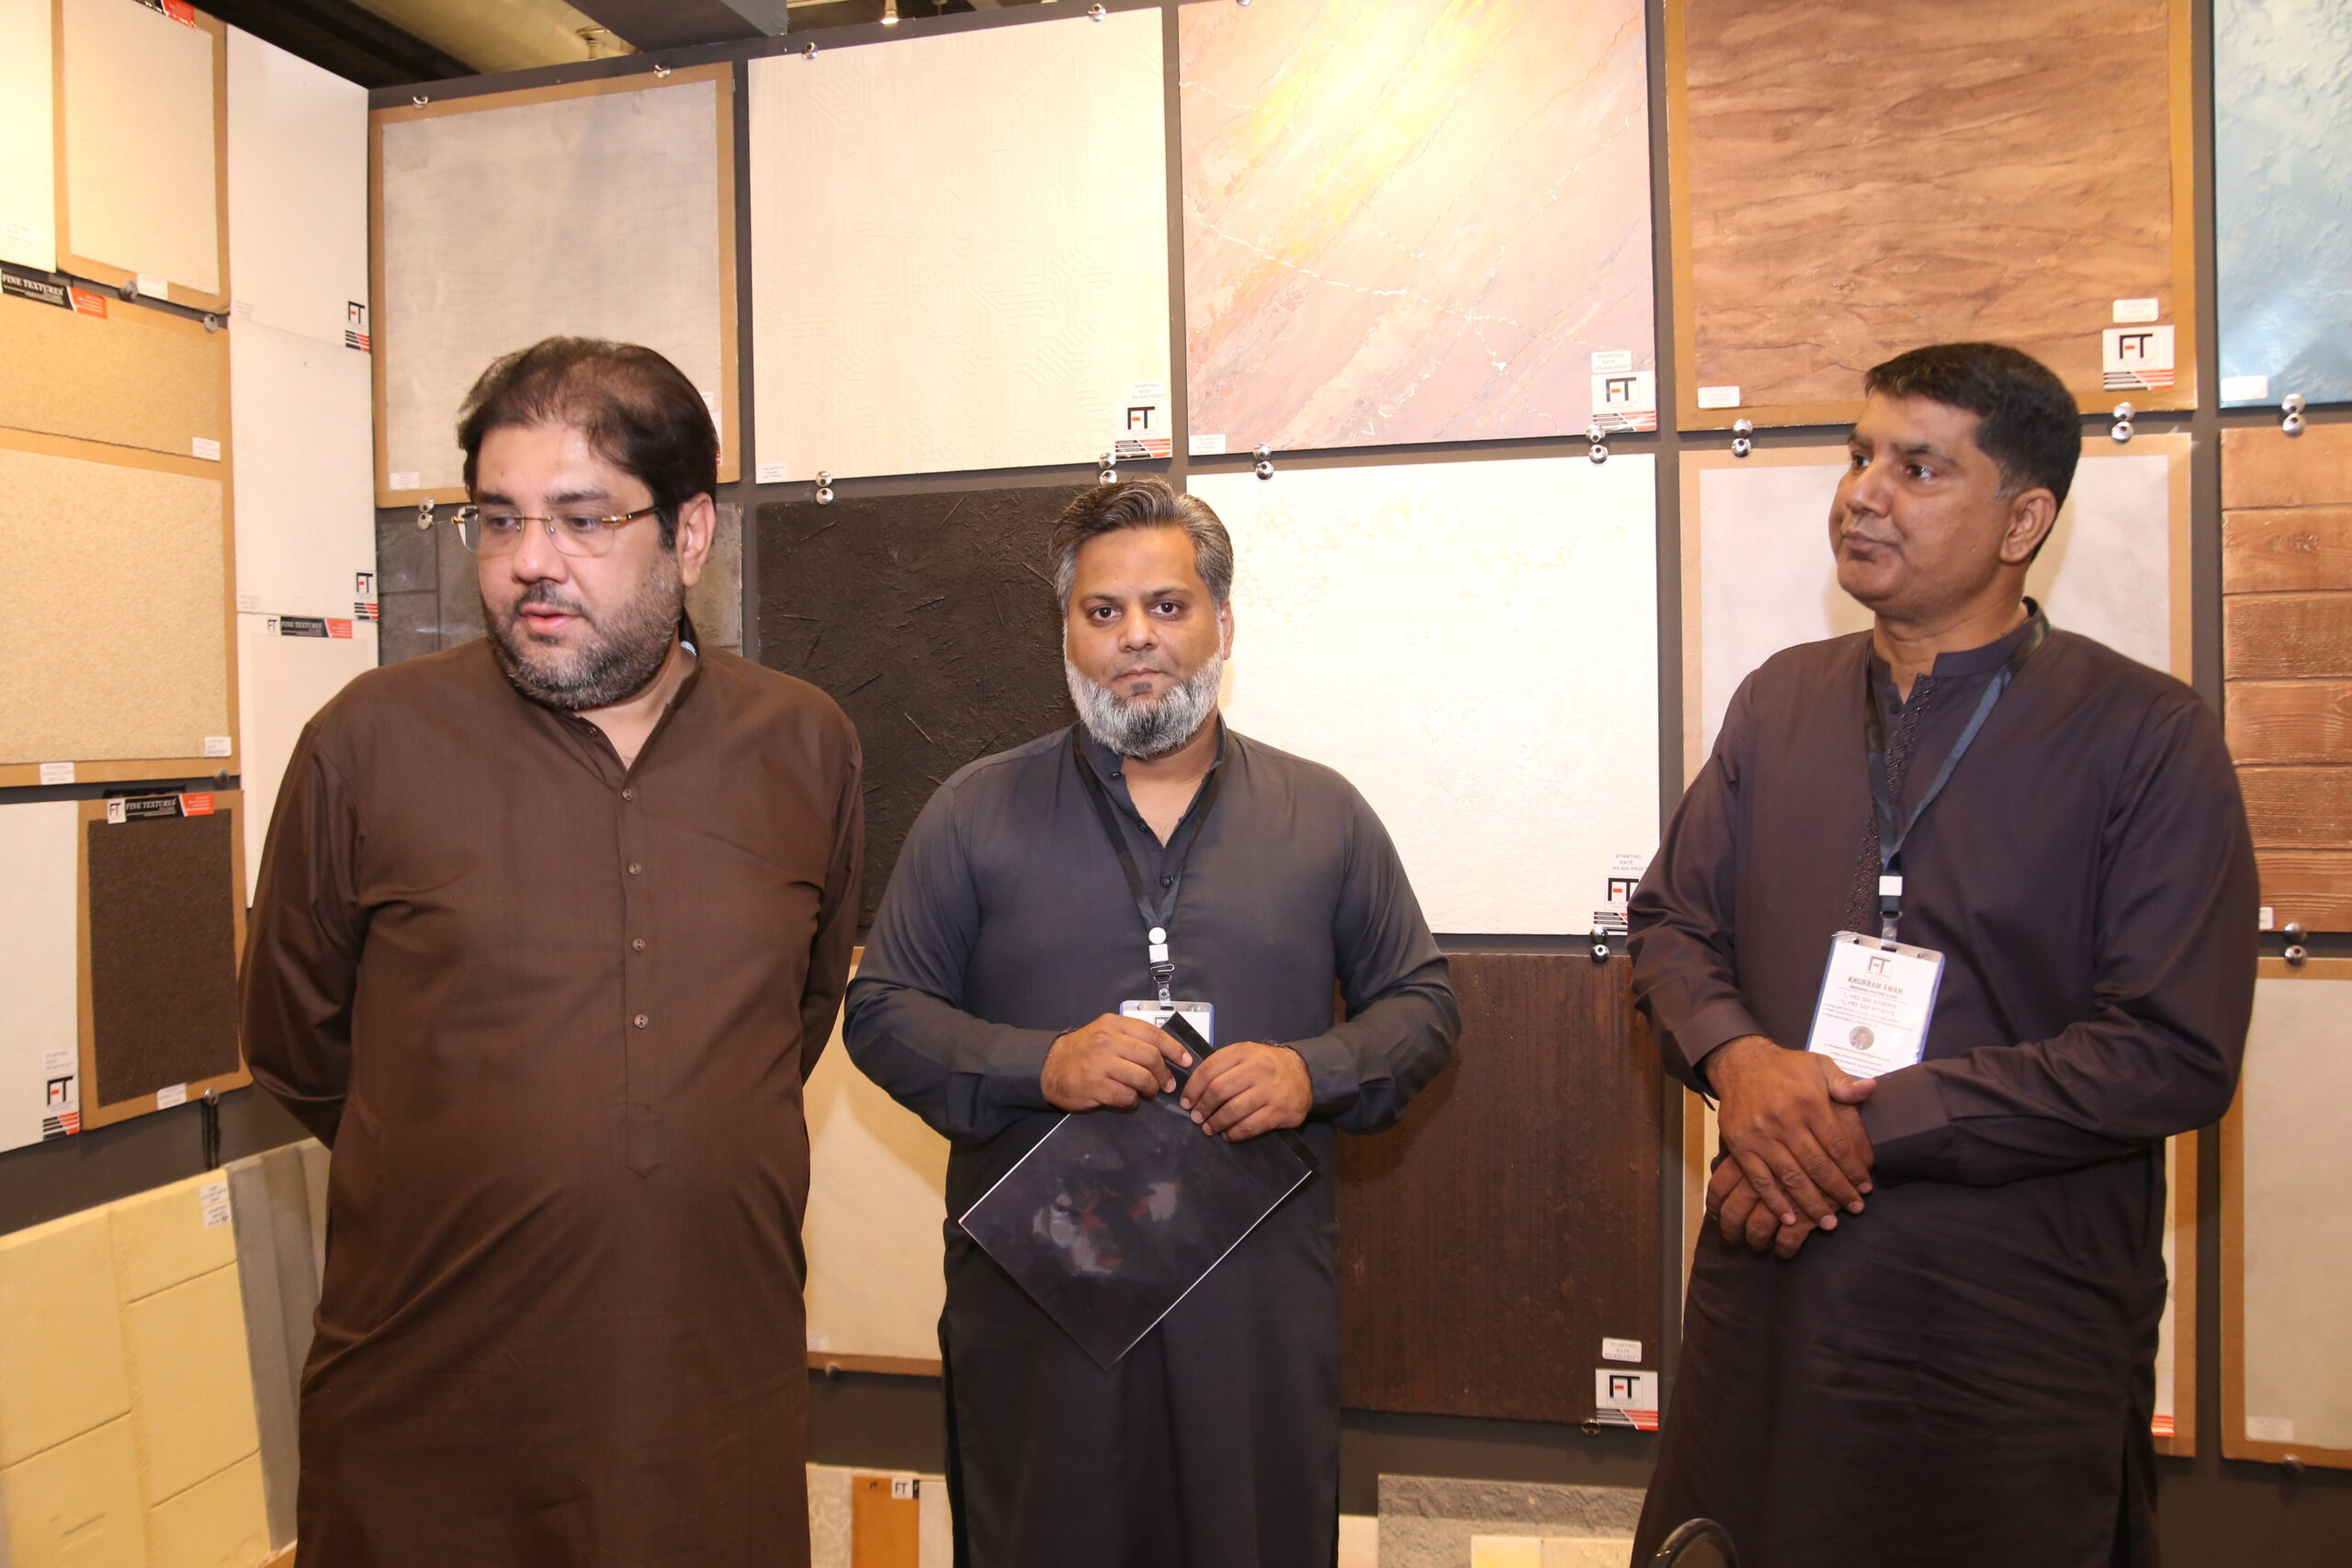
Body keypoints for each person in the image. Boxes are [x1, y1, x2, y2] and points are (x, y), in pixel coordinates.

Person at [1627, 342, 2257, 1566]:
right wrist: (1743, 1065)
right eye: (1860, 455)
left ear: (2023, 519)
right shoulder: (1780, 700)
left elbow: (2169, 1049)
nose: (1863, 493)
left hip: (2005, 1319)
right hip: (1775, 1286)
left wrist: (1871, 1121)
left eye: (1917, 468)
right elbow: (1670, 928)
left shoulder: (2146, 734)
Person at [240, 338, 861, 1566]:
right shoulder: (368, 742)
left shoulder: (805, 746)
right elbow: (298, 1044)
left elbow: (792, 1018)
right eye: (499, 519)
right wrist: (473, 1156)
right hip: (430, 1413)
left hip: (708, 1409)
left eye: (582, 519)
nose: (531, 559)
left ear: (690, 534)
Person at [844, 478, 1458, 1568]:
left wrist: (1312, 1073)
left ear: (1223, 622)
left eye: (1168, 606)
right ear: (1066, 633)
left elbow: (1422, 1006)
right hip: (1041, 1309)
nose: (1137, 637)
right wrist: (1041, 1065)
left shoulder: (1323, 815)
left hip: (1252, 1312)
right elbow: (883, 1014)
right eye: (1103, 611)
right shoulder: (972, 812)